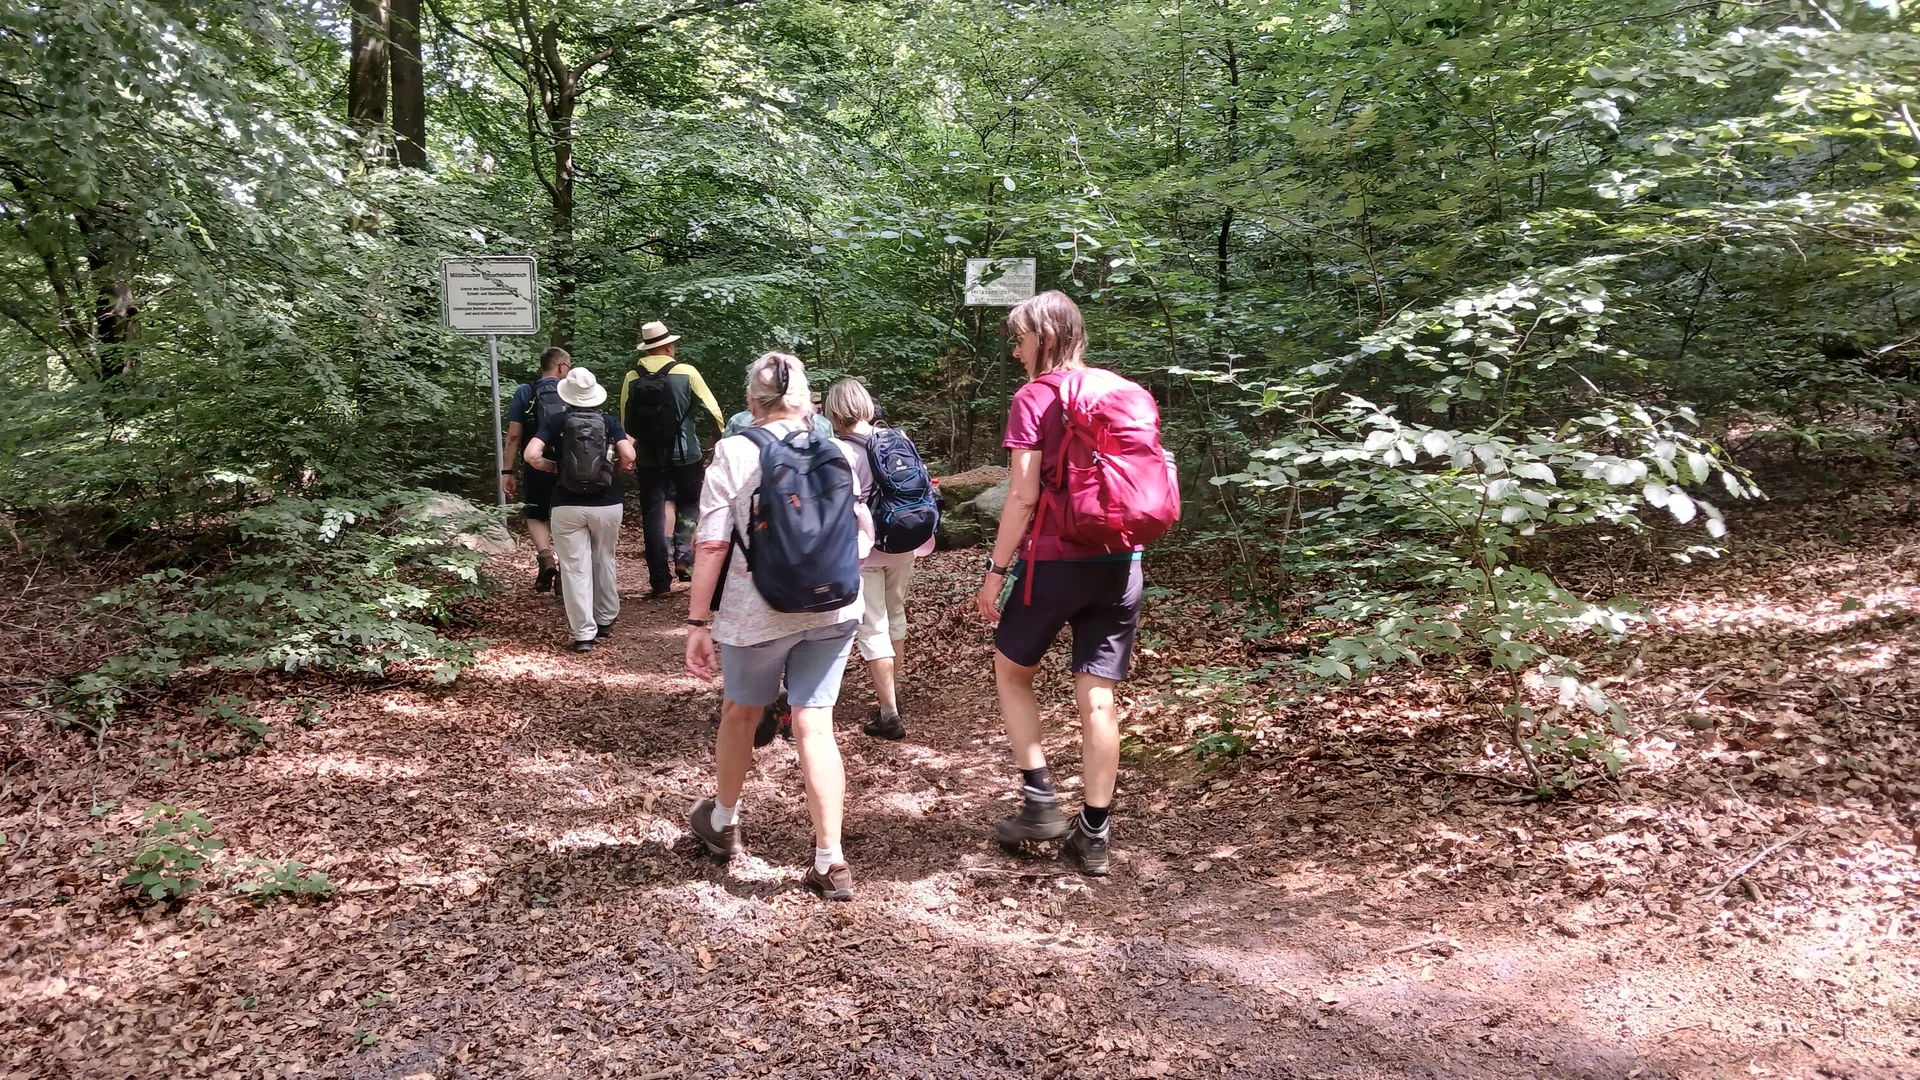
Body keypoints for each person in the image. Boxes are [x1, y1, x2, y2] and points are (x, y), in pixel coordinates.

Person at [684, 351, 867, 901]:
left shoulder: (734, 452)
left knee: (741, 713)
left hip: (757, 612)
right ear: (807, 401)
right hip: (835, 607)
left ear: (750, 402)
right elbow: (861, 533)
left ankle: (723, 821)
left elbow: (712, 542)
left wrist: (697, 620)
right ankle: (831, 861)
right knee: (816, 723)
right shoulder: (836, 448)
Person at [974, 291, 1144, 877]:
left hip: (1054, 560)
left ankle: (1040, 800)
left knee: (1011, 671)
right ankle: (1093, 835)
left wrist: (995, 573)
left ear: (1044, 336)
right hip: (1121, 560)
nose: (1016, 349)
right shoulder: (1119, 389)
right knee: (1098, 696)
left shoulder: (1035, 396)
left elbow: (1022, 495)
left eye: (1020, 337)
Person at [824, 378, 935, 742]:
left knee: (873, 625)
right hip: (905, 539)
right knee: (896, 614)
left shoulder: (838, 450)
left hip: (865, 548)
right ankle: (892, 693)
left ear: (834, 411)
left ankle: (888, 713)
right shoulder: (896, 438)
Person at [524, 367, 637, 652]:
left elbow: (530, 455)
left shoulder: (556, 421)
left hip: (566, 504)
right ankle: (606, 618)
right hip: (607, 503)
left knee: (575, 568)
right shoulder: (609, 422)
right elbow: (629, 455)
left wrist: (554, 468)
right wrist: (615, 468)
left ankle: (583, 634)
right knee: (604, 559)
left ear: (568, 395)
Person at [620, 321, 726, 597]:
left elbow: (625, 419)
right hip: (686, 453)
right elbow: (713, 409)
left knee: (653, 514)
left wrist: (626, 450)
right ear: (667, 346)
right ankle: (684, 561)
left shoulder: (632, 377)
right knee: (689, 503)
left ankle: (659, 581)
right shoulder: (686, 372)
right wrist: (723, 440)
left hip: (648, 457)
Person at [502, 347, 571, 592]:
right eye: (568, 367)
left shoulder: (526, 392)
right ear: (561, 366)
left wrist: (507, 471)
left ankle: (545, 557)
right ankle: (565, 572)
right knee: (566, 518)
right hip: (568, 467)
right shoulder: (571, 391)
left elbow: (513, 435)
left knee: (535, 514)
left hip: (535, 463)